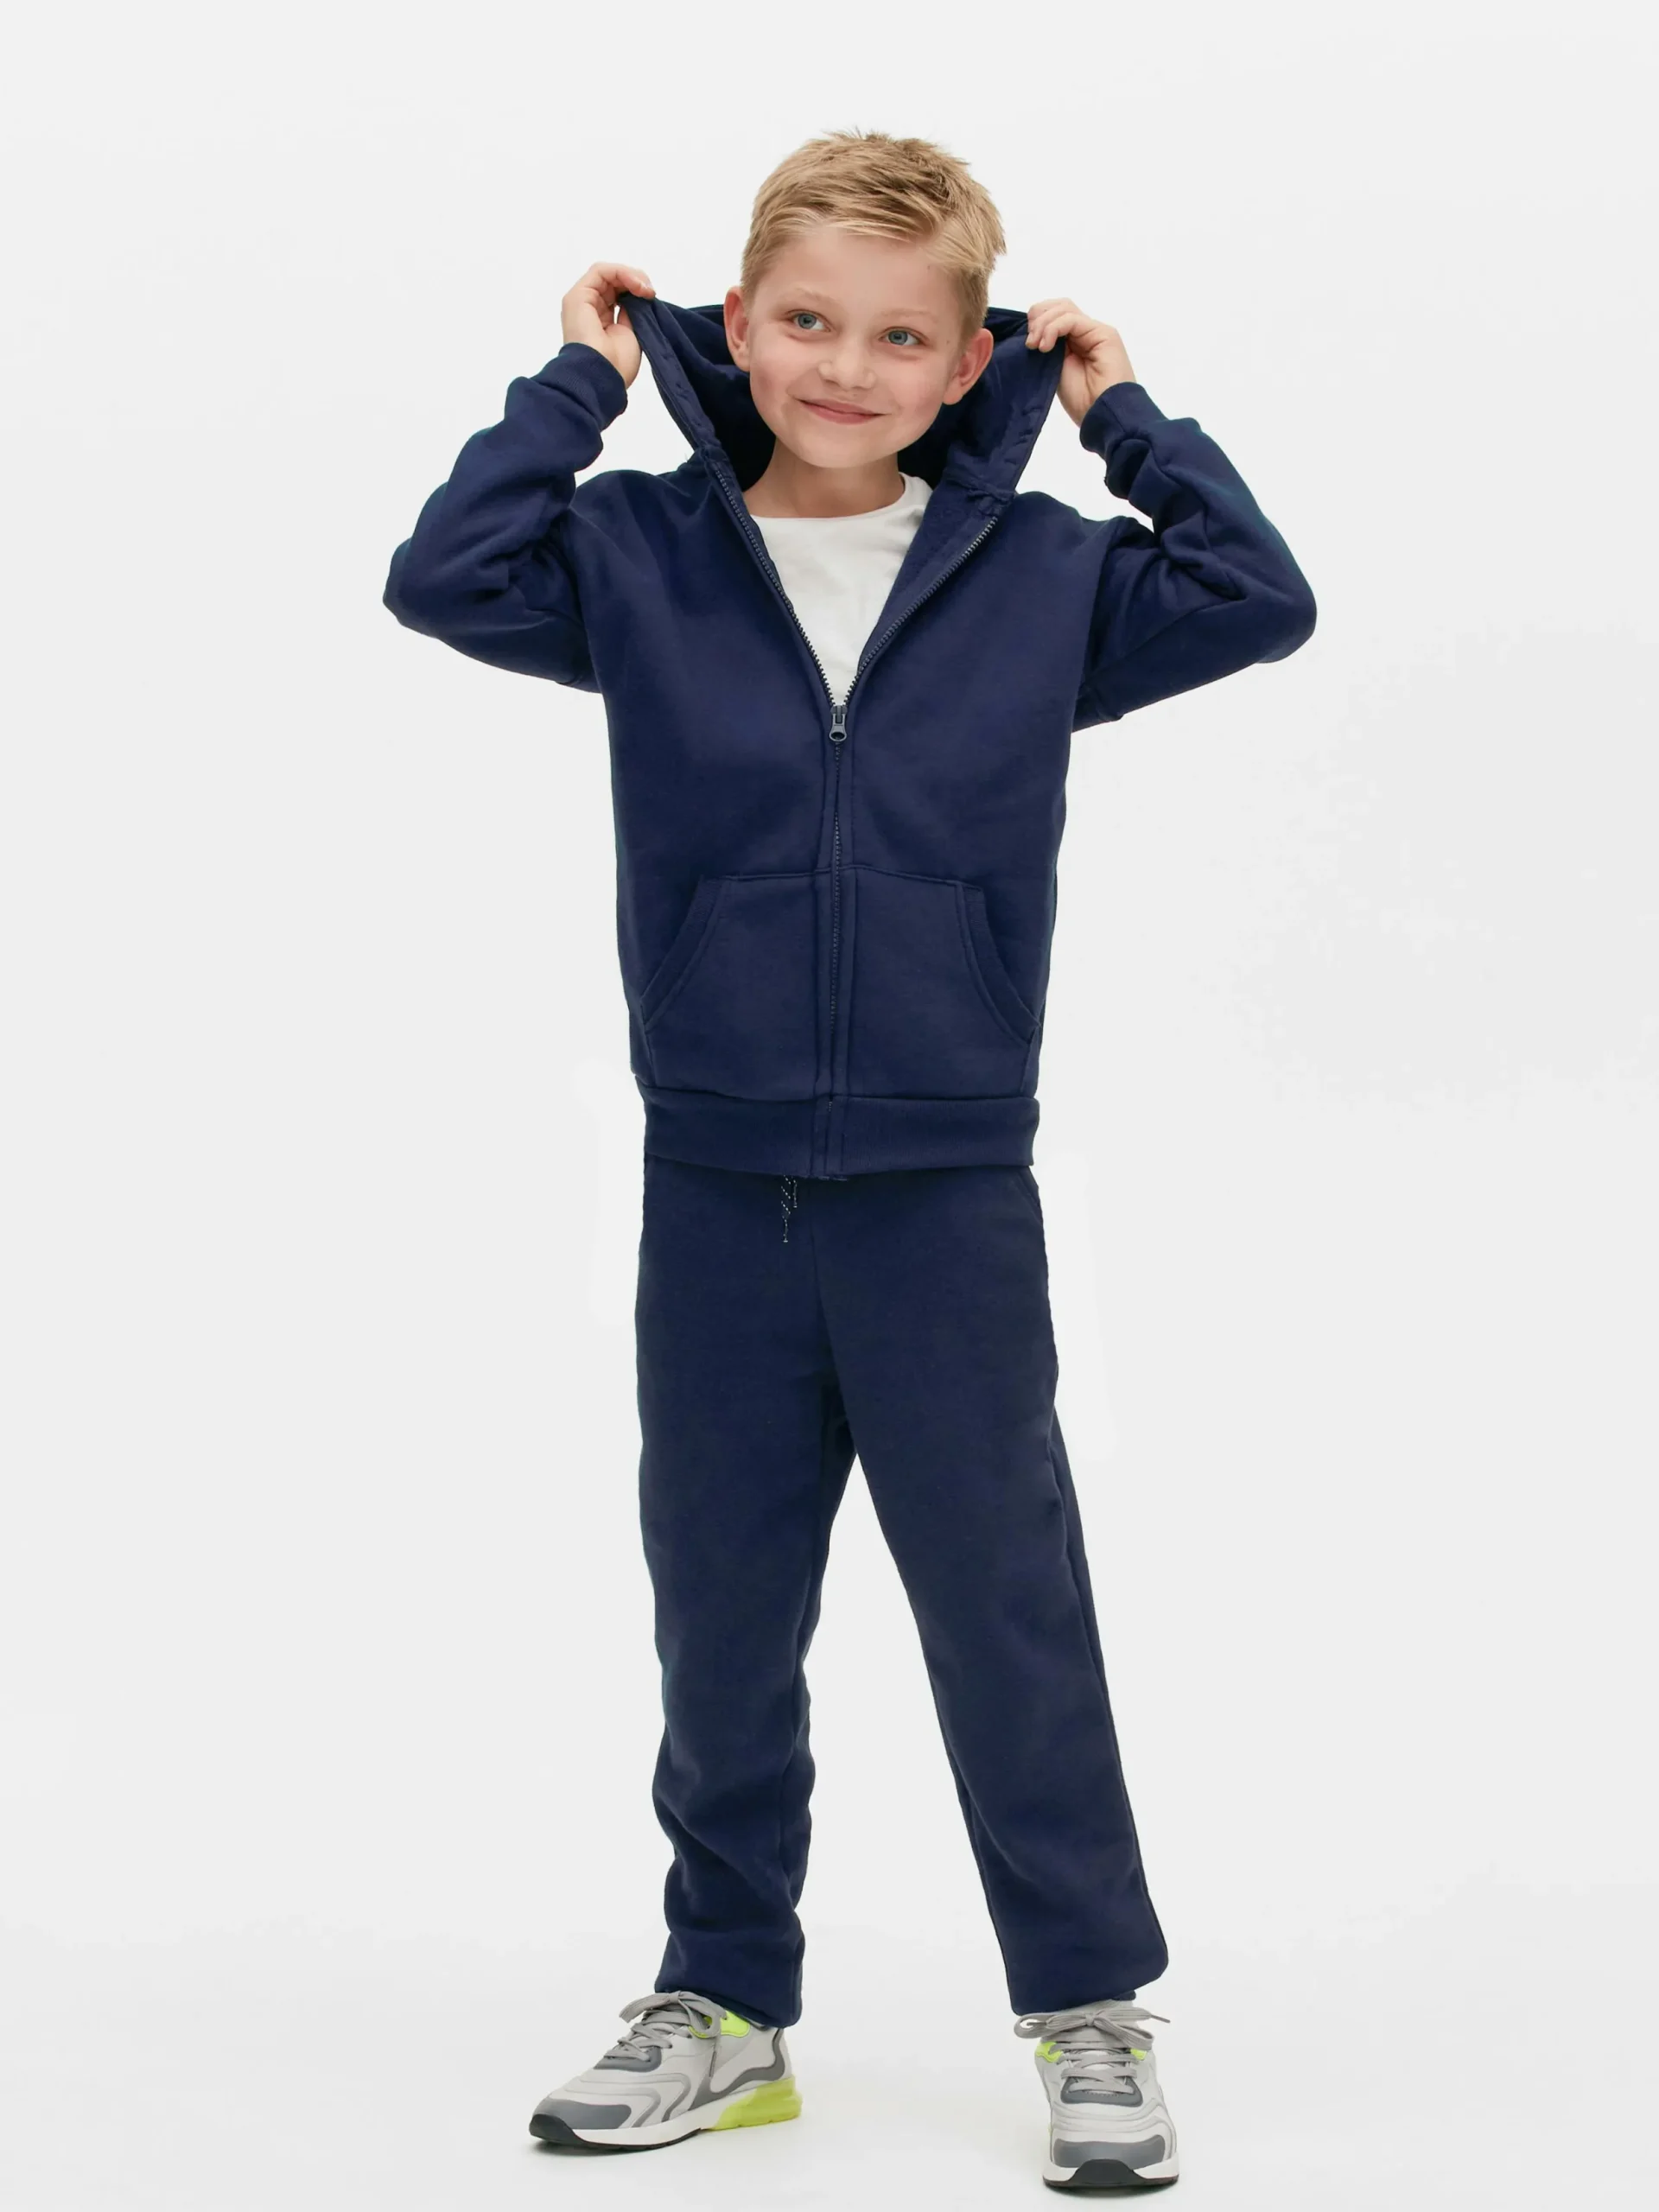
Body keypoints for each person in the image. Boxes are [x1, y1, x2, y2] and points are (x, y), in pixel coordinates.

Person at [383, 127, 1315, 2190]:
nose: (846, 364)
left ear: (971, 360)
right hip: (715, 1183)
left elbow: (1260, 597)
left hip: (945, 1192)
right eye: (806, 320)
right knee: (722, 1617)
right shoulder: (636, 553)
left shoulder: (1046, 576)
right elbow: (441, 573)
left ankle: (1088, 2003)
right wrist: (581, 383)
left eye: (904, 337)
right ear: (738, 326)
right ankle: (722, 2002)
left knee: (1006, 1608)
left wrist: (1119, 417)